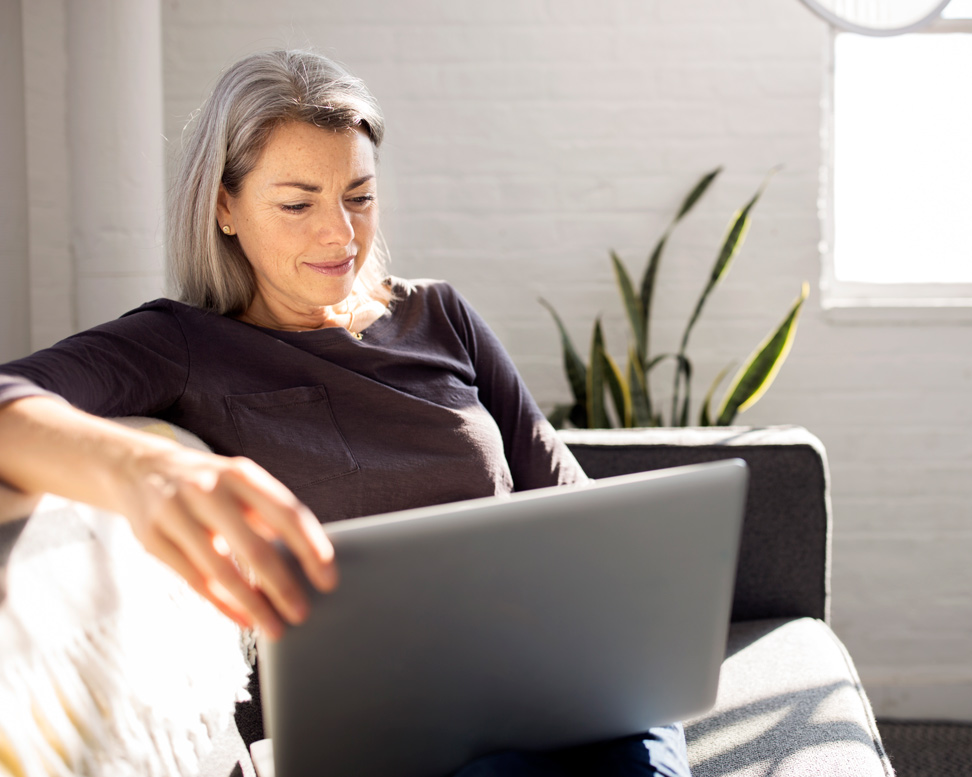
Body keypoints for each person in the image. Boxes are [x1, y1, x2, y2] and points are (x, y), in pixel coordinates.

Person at [0, 49, 690, 777]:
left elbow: (571, 505)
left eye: (359, 196)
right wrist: (145, 470)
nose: (340, 234)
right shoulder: (182, 342)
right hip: (395, 731)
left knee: (638, 736)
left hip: (550, 676)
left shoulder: (440, 313)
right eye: (298, 203)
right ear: (224, 207)